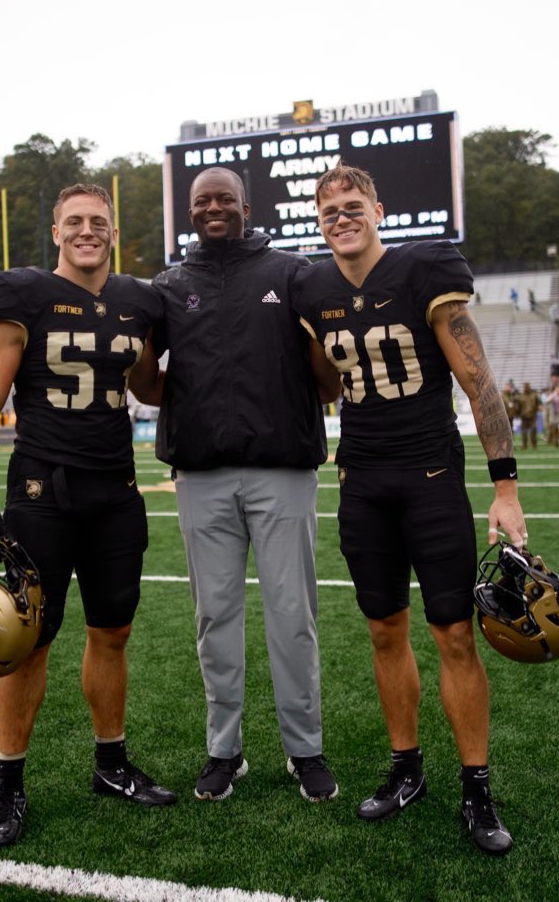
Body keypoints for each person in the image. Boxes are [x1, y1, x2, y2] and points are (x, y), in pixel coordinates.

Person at [293, 163, 527, 856]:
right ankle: (406, 768)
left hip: (429, 475)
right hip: (362, 479)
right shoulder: (312, 288)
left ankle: (477, 786)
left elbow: (478, 382)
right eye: (329, 208)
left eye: (352, 204)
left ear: (379, 210)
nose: (341, 216)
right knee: (384, 630)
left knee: (454, 634)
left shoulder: (426, 271)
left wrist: (505, 486)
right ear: (319, 220)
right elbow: (326, 382)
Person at [0, 183, 175, 849]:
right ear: (56, 232)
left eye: (99, 222)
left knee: (112, 633)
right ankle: (9, 784)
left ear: (114, 231)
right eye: (75, 222)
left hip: (114, 490)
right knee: (30, 641)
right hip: (42, 491)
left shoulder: (138, 302)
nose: (88, 231)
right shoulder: (22, 295)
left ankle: (110, 764)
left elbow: (146, 385)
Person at [130, 166, 340, 805]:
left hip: (282, 472)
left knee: (292, 617)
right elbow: (145, 387)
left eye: (224, 198)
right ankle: (225, 750)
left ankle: (304, 749)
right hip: (200, 477)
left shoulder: (291, 273)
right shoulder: (168, 287)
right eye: (201, 201)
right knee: (214, 618)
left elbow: (327, 383)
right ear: (188, 212)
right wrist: (141, 346)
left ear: (247, 205)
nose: (213, 208)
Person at [516, 382, 539, 450]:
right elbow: (518, 407)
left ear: (529, 387)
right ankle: (524, 445)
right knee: (524, 432)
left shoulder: (534, 395)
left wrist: (536, 410)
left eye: (527, 386)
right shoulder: (521, 396)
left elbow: (538, 403)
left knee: (533, 431)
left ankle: (534, 445)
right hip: (524, 416)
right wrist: (518, 414)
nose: (526, 388)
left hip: (532, 416)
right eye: (525, 387)